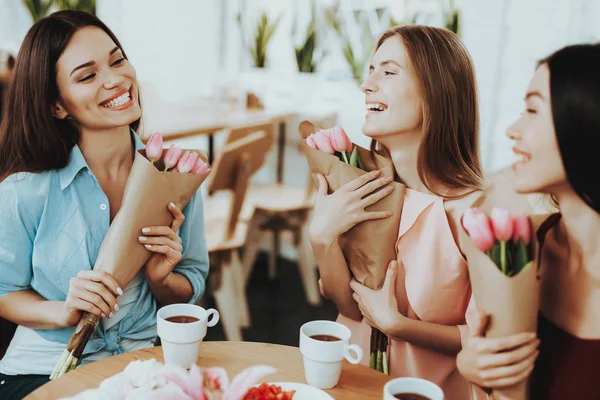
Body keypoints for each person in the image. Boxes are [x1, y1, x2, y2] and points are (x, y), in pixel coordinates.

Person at [0, 10, 209, 399]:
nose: (116, 80)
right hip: (46, 371)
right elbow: (3, 290)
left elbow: (191, 286)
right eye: (87, 75)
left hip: (147, 368)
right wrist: (62, 310)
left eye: (117, 60)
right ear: (55, 106)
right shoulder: (23, 191)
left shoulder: (175, 175)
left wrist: (161, 279)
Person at [309, 25, 487, 399]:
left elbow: (489, 341)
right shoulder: (360, 186)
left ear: (437, 92)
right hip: (349, 385)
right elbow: (348, 308)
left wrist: (397, 324)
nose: (367, 85)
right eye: (371, 70)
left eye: (388, 72)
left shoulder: (477, 212)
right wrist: (321, 238)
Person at [457, 44, 600, 400]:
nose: (512, 130)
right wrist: (474, 372)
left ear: (586, 121)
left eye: (532, 110)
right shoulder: (516, 246)